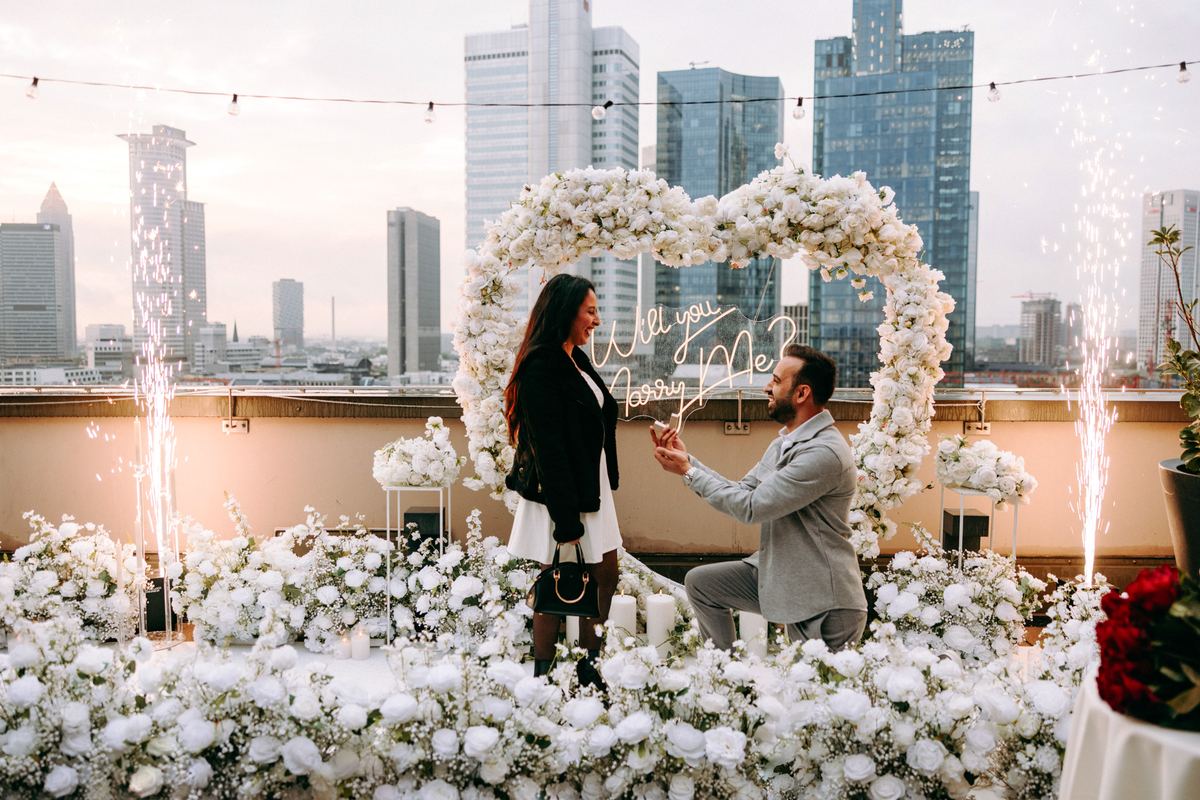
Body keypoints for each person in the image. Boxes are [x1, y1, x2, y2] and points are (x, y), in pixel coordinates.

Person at [651, 344, 867, 651]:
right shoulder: (785, 443)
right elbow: (743, 491)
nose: (767, 387)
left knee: (814, 697)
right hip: (782, 575)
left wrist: (688, 472)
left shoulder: (823, 453)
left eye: (777, 381)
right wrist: (688, 462)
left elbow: (751, 508)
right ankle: (726, 678)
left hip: (826, 602)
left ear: (802, 393)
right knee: (702, 584)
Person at [504, 273, 621, 687]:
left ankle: (587, 667)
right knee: (561, 577)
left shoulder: (574, 357)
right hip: (563, 492)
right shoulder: (542, 367)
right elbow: (549, 448)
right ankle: (549, 673)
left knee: (599, 575)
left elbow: (594, 416)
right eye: (590, 311)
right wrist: (566, 523)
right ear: (565, 312)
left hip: (591, 486)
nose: (597, 320)